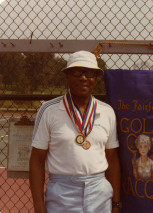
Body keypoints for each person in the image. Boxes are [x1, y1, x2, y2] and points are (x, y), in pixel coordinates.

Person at [29, 51, 121, 213]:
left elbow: (112, 159)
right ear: (67, 75)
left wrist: (116, 204)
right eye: (77, 71)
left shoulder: (107, 112)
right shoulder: (49, 110)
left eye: (90, 73)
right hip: (61, 193)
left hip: (99, 192)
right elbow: (37, 159)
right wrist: (39, 206)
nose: (83, 77)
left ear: (96, 78)